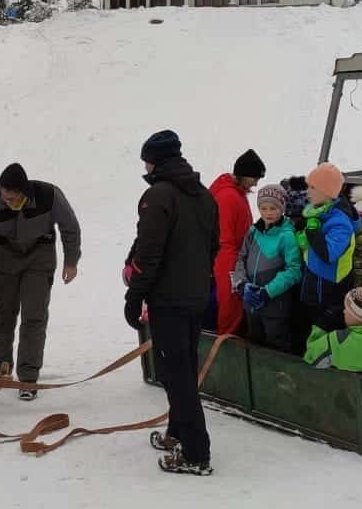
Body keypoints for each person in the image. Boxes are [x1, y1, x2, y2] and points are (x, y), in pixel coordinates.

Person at [123, 130, 218, 476]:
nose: (144, 165)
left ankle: (196, 453)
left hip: (169, 300)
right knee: (183, 369)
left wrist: (134, 297)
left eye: (146, 159)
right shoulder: (204, 196)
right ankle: (178, 432)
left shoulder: (157, 196)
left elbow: (148, 254)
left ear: (156, 160)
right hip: (195, 297)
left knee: (175, 375)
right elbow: (213, 247)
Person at [0, 162, 81, 400]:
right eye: (5, 197)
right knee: (1, 316)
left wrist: (71, 260)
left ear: (24, 192)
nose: (8, 202)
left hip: (38, 259)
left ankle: (28, 378)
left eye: (13, 198)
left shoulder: (49, 195)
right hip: (4, 262)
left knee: (34, 316)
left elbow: (70, 226)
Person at [231, 184, 302, 352]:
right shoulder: (253, 232)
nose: (268, 213)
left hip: (275, 307)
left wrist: (267, 291)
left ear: (282, 208)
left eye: (273, 208)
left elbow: (293, 271)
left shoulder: (287, 236)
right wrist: (242, 284)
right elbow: (241, 258)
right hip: (251, 305)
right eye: (263, 208)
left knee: (276, 347)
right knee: (254, 344)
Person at [294, 163, 360, 340]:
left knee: (322, 333)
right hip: (314, 284)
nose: (307, 191)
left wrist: (312, 233)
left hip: (328, 292)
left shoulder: (340, 223)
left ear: (327, 192)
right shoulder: (319, 214)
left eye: (312, 187)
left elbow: (328, 254)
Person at [207, 149, 266, 336]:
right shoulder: (228, 197)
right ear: (244, 175)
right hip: (229, 262)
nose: (256, 183)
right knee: (230, 304)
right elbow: (224, 240)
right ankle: (227, 344)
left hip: (235, 259)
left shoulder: (236, 193)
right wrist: (236, 270)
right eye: (254, 178)